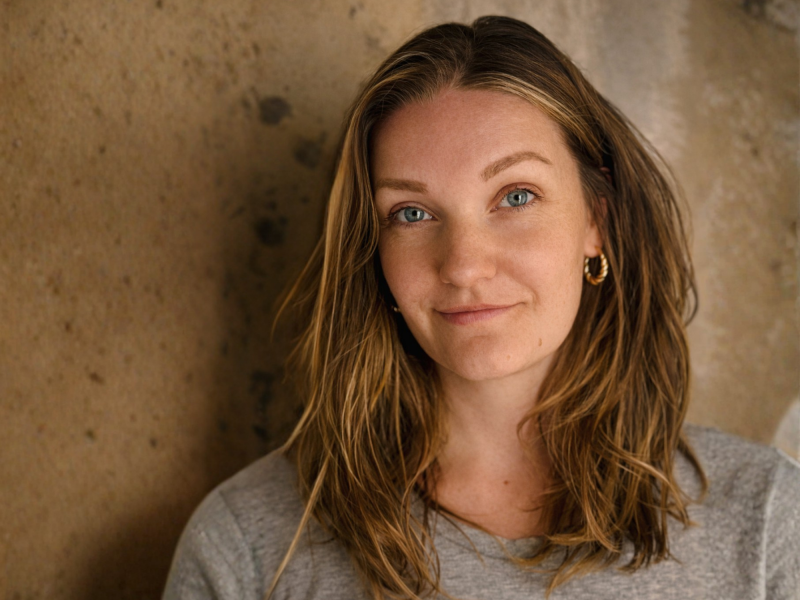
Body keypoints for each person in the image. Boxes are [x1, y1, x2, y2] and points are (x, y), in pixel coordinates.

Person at [163, 15, 800, 600]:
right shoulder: (249, 545)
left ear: (597, 222)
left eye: (516, 196)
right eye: (411, 213)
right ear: (372, 251)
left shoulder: (767, 522)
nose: (464, 265)